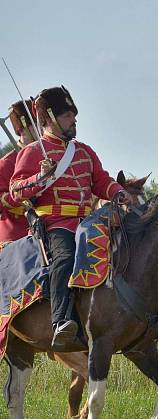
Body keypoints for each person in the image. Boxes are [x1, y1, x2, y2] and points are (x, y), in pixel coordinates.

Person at [10, 86, 131, 350]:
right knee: (65, 258)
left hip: (87, 222)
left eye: (73, 116)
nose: (73, 120)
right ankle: (61, 321)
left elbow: (101, 181)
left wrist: (119, 193)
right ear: (50, 118)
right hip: (54, 224)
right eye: (67, 116)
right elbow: (16, 190)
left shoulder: (84, 151)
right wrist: (40, 177)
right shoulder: (33, 152)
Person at [0, 99, 36, 245]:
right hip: (16, 240)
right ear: (22, 129)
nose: (42, 128)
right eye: (35, 124)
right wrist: (26, 193)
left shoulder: (51, 154)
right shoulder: (6, 164)